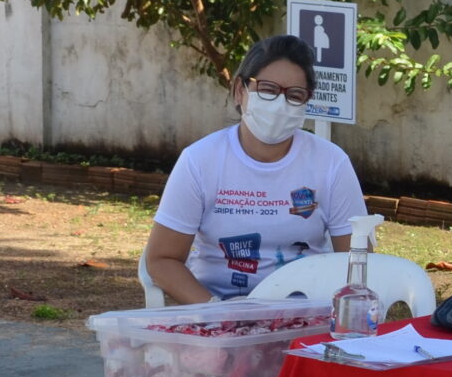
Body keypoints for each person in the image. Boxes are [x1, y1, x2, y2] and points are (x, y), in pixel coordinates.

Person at [145, 35, 367, 304]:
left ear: (306, 101)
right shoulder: (200, 161)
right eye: (268, 89)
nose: (280, 104)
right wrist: (217, 312)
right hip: (216, 311)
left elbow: (359, 262)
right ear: (240, 91)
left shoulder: (331, 163)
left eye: (295, 95)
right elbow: (162, 259)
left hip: (304, 313)